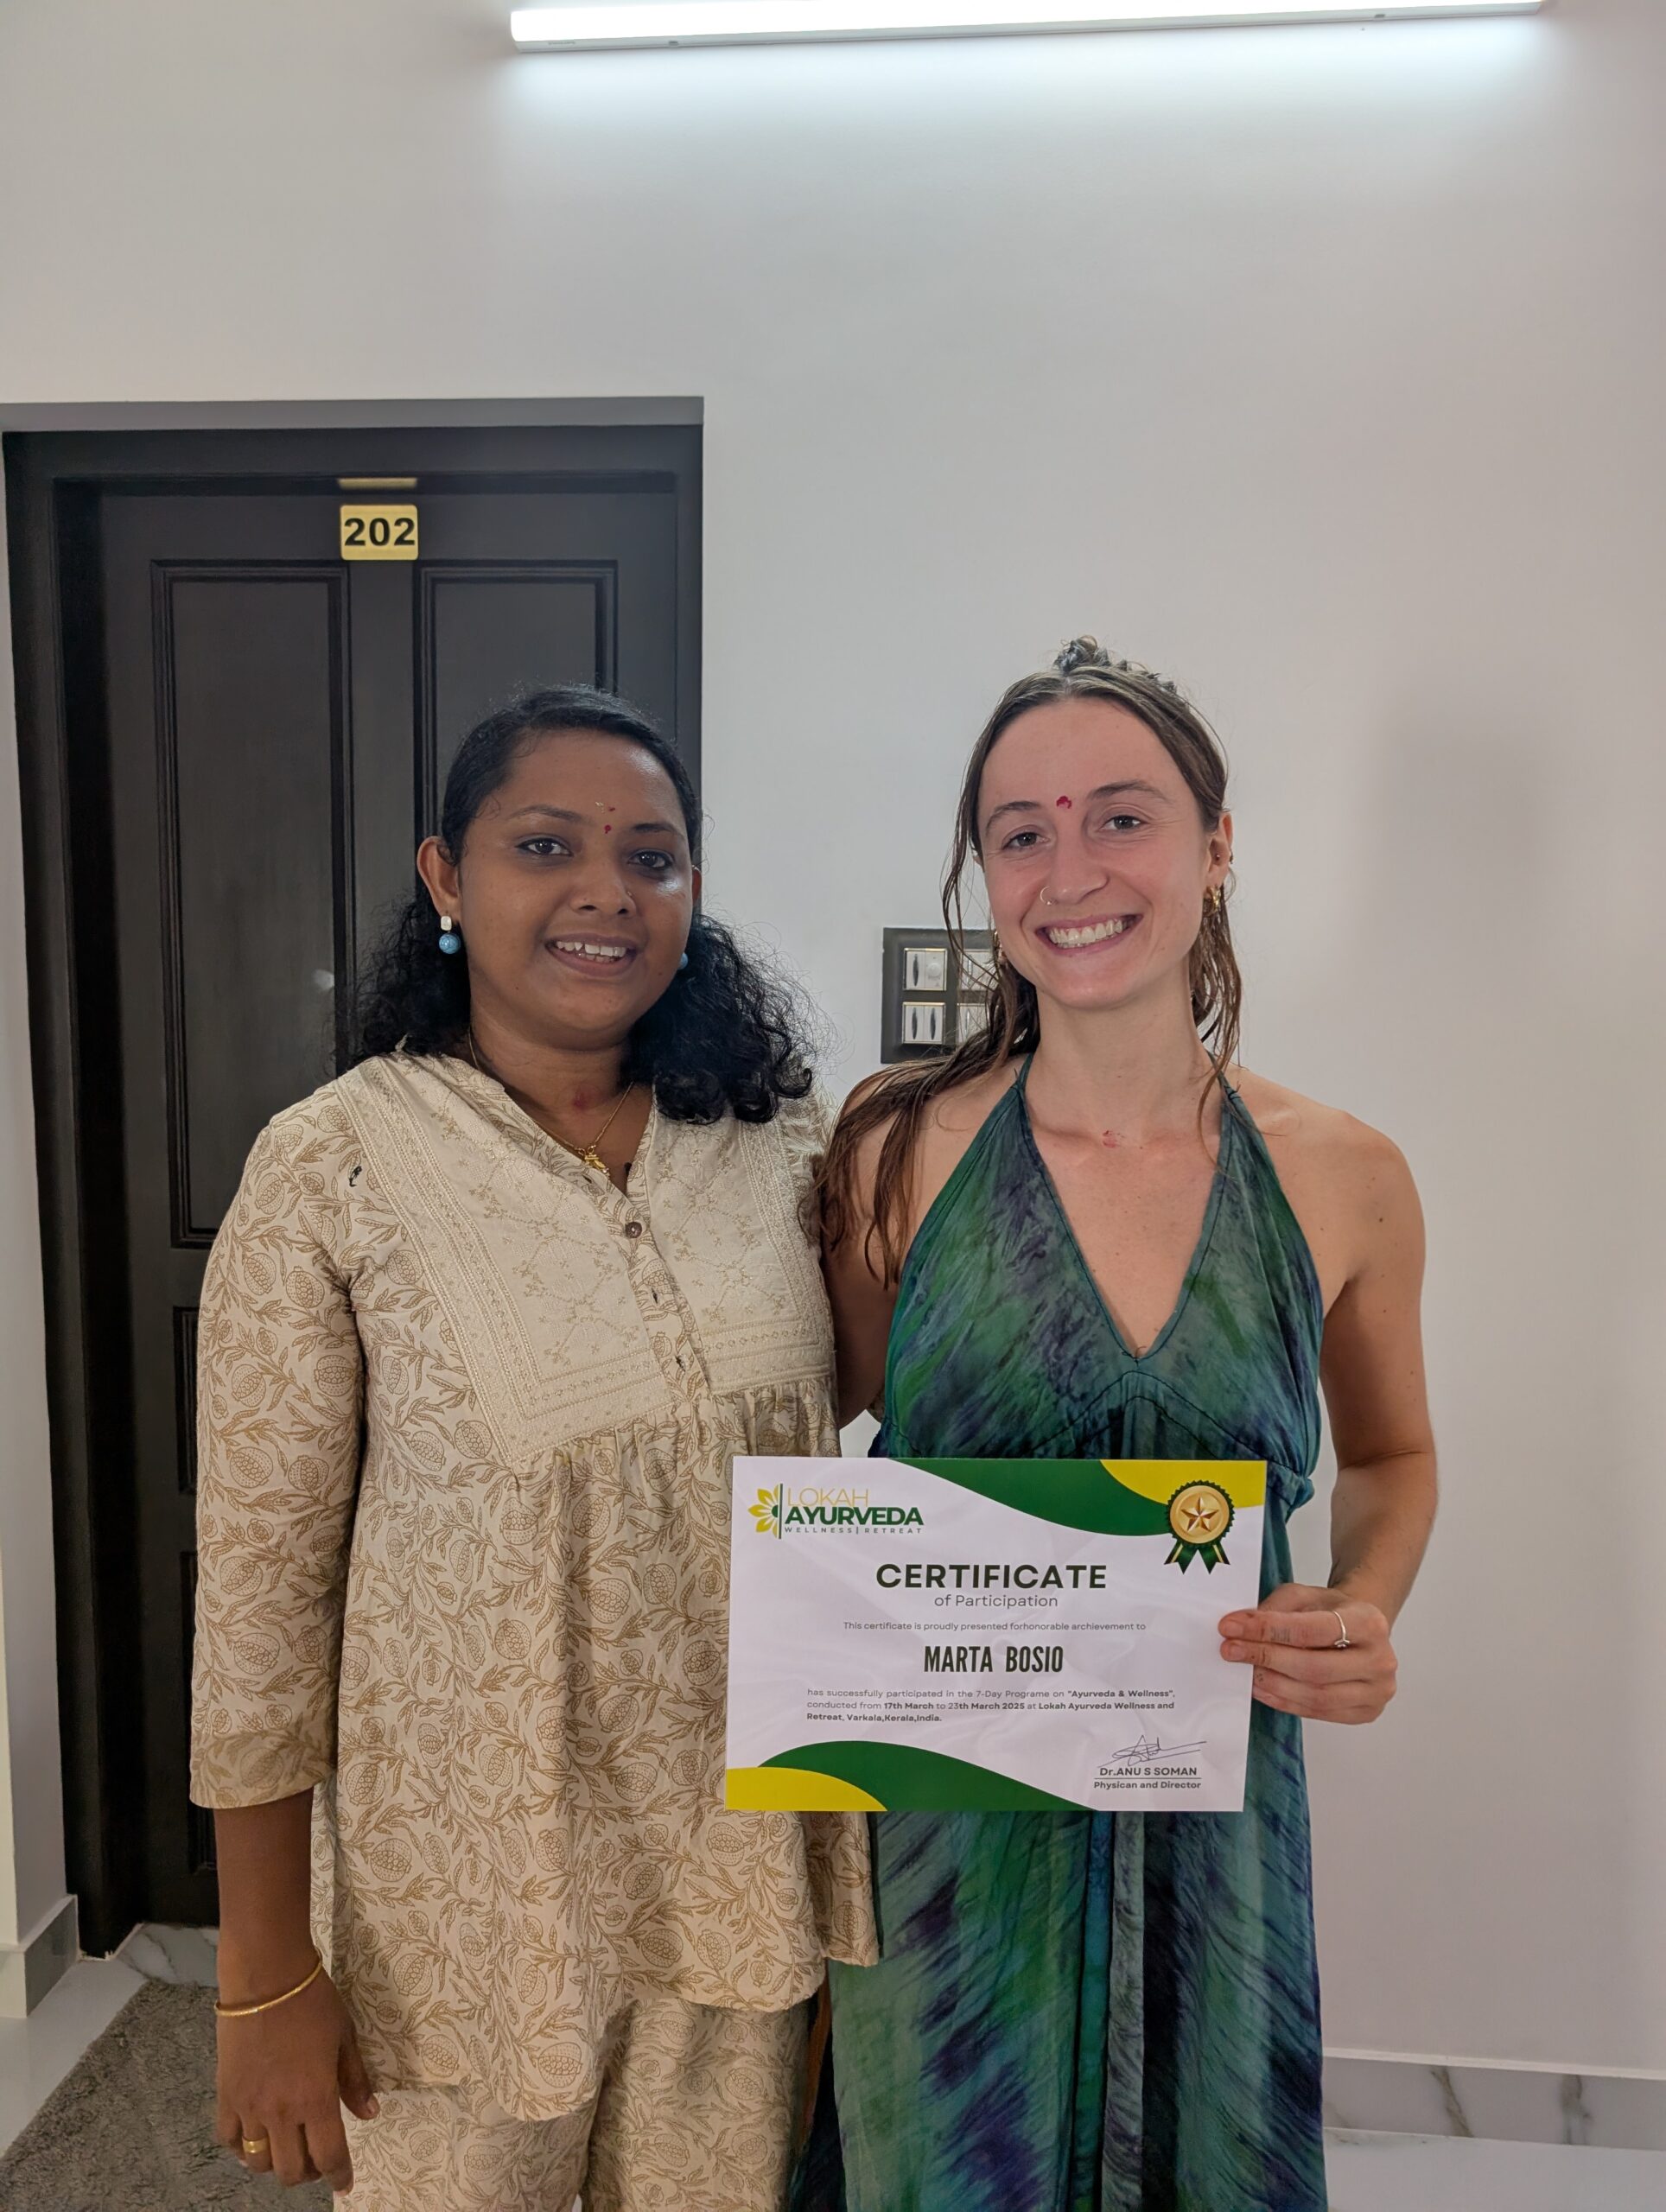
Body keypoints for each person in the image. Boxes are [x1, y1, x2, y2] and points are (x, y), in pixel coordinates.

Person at [191, 686, 875, 2211]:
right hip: (461, 1915)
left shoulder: (788, 1145)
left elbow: (891, 1427)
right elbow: (256, 1606)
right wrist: (262, 1972)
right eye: (547, 846)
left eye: (652, 857)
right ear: (447, 876)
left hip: (738, 1880)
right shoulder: (333, 1167)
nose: (606, 891)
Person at [810, 640, 1437, 2212]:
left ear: (1216, 847)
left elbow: (1393, 1458)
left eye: (1122, 817)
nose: (1071, 870)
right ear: (985, 876)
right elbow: (831, 1431)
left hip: (1217, 1836)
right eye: (1021, 832)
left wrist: (1360, 1603)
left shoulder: (1345, 1174)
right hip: (951, 1849)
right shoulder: (893, 1151)